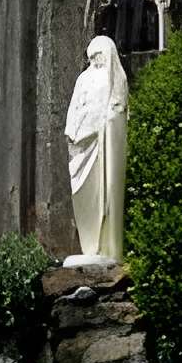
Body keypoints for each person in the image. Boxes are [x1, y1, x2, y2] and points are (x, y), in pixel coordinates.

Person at [64, 35, 130, 265]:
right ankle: (89, 245)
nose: (95, 60)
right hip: (82, 145)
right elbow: (73, 109)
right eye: (91, 56)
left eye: (99, 55)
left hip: (103, 145)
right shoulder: (83, 79)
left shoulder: (115, 76)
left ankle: (104, 247)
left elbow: (117, 111)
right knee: (82, 192)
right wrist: (72, 133)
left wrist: (107, 124)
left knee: (104, 192)